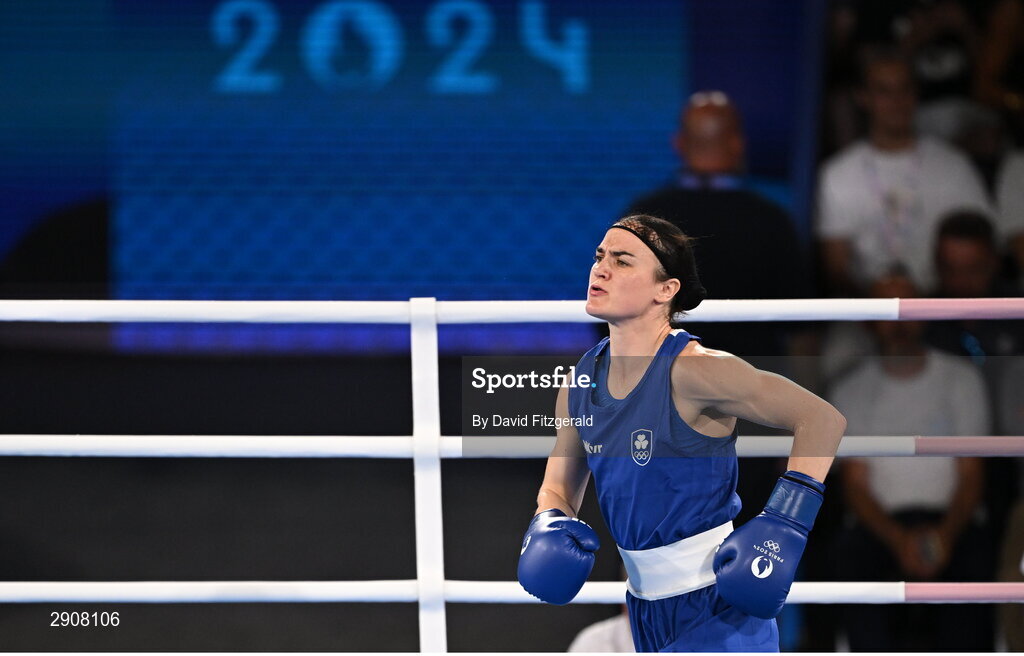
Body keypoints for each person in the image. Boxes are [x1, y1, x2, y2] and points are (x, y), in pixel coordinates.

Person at [516, 215, 846, 652]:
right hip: (644, 609)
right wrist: (550, 519)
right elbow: (558, 484)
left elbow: (821, 419)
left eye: (622, 260)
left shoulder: (697, 369)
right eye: (599, 257)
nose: (601, 269)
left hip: (718, 606)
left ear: (665, 289)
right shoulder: (580, 380)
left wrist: (784, 524)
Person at [830, 270, 994, 651]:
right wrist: (899, 539)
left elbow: (971, 475)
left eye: (908, 309)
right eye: (888, 312)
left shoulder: (961, 379)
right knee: (847, 559)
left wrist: (944, 537)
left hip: (954, 521)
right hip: (879, 526)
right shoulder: (849, 388)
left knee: (975, 567)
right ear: (870, 321)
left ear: (926, 313)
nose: (899, 325)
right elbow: (854, 484)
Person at [626, 90, 811, 358]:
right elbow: (802, 327)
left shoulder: (644, 216)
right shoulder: (771, 219)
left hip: (664, 378)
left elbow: (614, 308)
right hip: (751, 381)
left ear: (678, 143)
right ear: (737, 143)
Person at [817, 46, 991, 296]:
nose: (897, 101)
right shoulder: (837, 174)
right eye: (884, 91)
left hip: (940, 314)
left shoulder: (954, 166)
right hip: (863, 315)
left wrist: (928, 310)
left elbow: (982, 252)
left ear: (916, 93)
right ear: (862, 97)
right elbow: (835, 270)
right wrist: (874, 312)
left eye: (905, 89)